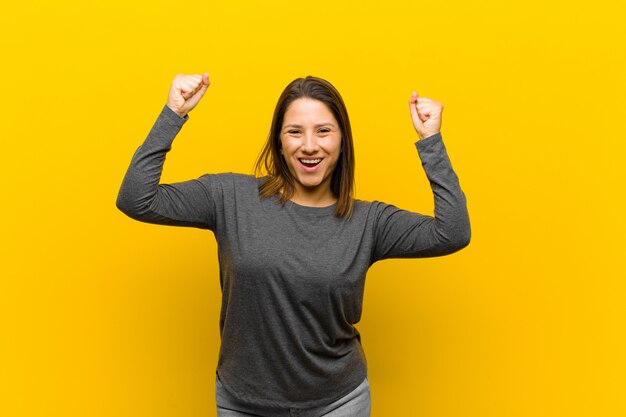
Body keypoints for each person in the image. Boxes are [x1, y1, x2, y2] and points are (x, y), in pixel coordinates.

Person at [116, 72, 471, 416]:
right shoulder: (230, 197)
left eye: (323, 131)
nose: (309, 145)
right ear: (279, 142)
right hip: (243, 403)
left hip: (338, 403)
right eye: (295, 132)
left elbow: (452, 232)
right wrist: (173, 113)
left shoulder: (369, 223)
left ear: (342, 140)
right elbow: (137, 199)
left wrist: (431, 142)